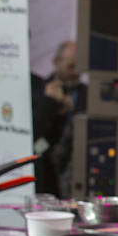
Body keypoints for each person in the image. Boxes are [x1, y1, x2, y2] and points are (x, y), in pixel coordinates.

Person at [30, 41, 86, 198]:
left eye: (79, 67)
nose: (75, 72)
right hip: (45, 177)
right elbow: (33, 134)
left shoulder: (86, 95)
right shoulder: (38, 91)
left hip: (75, 176)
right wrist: (50, 105)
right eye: (70, 66)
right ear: (56, 62)